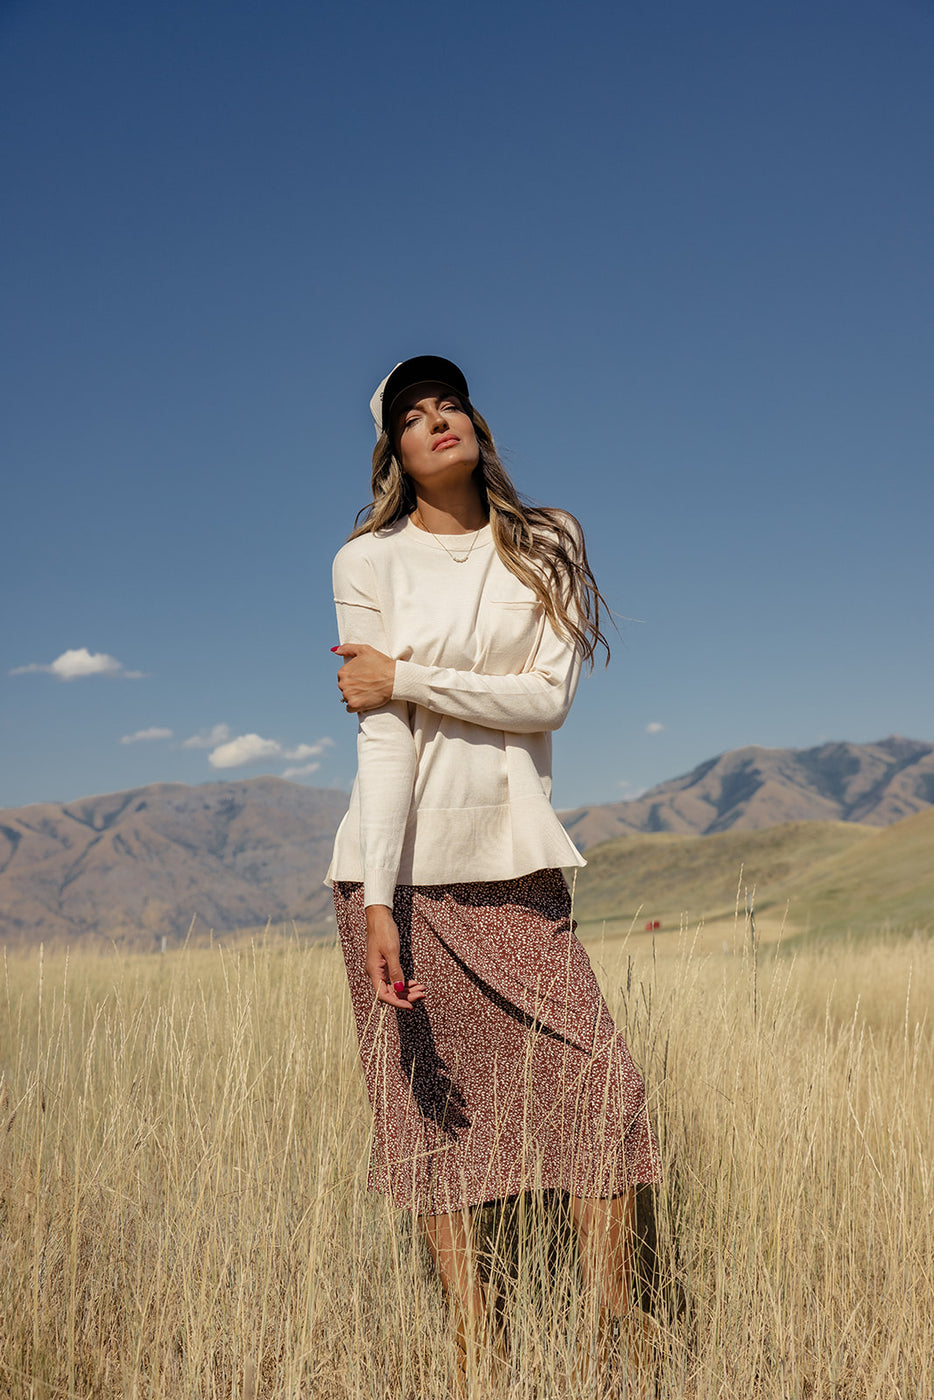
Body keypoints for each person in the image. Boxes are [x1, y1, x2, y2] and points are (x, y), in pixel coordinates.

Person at [325, 355, 659, 1384]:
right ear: (393, 450)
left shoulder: (544, 540)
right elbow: (383, 741)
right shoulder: (365, 561)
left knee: (604, 1085)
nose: (437, 422)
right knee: (429, 1104)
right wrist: (378, 898)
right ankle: (476, 1338)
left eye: (450, 403)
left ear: (474, 423)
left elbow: (545, 699)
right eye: (412, 415)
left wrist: (409, 677)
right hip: (400, 873)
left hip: (512, 857)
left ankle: (612, 1330)